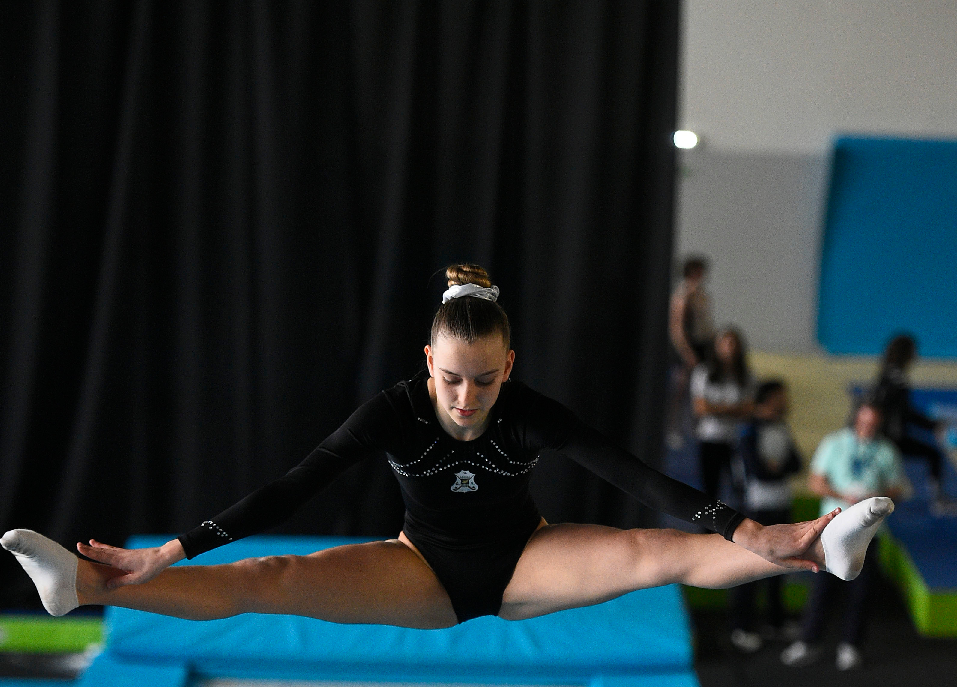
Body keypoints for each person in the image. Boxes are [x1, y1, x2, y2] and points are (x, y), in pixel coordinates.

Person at [3, 265, 892, 631]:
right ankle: (84, 587)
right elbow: (293, 487)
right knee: (267, 578)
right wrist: (167, 549)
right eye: (452, 379)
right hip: (421, 566)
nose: (466, 400)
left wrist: (749, 528)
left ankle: (820, 548)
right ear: (427, 362)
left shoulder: (528, 412)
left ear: (509, 367)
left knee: (657, 551)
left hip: (525, 560)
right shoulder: (393, 411)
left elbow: (634, 476)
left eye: (485, 380)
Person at [781, 399, 908, 671]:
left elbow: (898, 488)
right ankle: (808, 641)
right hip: (831, 530)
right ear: (855, 419)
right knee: (822, 589)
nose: (867, 427)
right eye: (864, 422)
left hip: (869, 533)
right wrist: (843, 495)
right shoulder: (834, 443)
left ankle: (851, 646)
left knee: (861, 592)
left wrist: (874, 497)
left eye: (873, 424)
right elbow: (815, 482)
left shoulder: (886, 450)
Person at [728, 380, 803, 653]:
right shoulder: (748, 429)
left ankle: (775, 620)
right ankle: (741, 626)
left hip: (781, 503)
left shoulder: (781, 427)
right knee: (749, 566)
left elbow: (797, 463)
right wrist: (775, 468)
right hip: (756, 507)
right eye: (781, 396)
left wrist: (776, 467)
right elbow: (756, 470)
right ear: (769, 398)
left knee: (780, 564)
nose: (786, 401)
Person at [872, 333, 956, 514]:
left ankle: (934, 497)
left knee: (930, 455)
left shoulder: (887, 374)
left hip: (887, 435)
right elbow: (903, 412)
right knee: (931, 455)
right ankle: (937, 499)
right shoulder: (896, 378)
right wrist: (932, 424)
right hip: (891, 437)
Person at [690, 326, 754, 500]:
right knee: (710, 488)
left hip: (735, 439)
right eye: (725, 344)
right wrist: (733, 409)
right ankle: (708, 518)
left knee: (738, 486)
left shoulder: (746, 376)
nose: (729, 348)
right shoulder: (704, 372)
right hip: (710, 437)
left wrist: (717, 408)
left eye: (733, 344)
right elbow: (700, 408)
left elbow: (749, 409)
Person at [666, 256, 714, 449]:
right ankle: (673, 428)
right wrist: (687, 352)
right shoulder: (682, 294)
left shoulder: (701, 294)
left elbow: (706, 323)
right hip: (687, 347)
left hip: (702, 345)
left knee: (699, 388)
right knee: (680, 389)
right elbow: (677, 328)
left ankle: (693, 426)